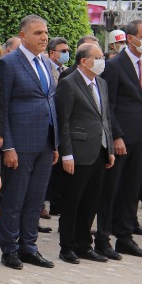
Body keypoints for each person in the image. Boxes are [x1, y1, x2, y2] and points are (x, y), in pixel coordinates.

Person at [0, 15, 59, 269]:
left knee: (35, 199)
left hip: (45, 142)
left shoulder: (46, 62)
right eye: (37, 33)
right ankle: (9, 249)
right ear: (22, 35)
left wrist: (55, 144)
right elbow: (3, 107)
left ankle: (29, 246)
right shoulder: (8, 63)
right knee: (15, 198)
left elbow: (50, 101)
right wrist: (7, 146)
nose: (44, 37)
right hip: (19, 144)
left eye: (45, 32)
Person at [99, 20, 142, 259]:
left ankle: (125, 237)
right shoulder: (114, 65)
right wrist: (117, 136)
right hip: (121, 137)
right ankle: (102, 238)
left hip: (141, 136)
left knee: (132, 189)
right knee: (111, 189)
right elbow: (108, 105)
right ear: (130, 38)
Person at [56, 42, 113, 263]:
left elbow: (105, 117)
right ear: (83, 61)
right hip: (78, 152)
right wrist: (66, 153)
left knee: (91, 200)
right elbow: (64, 120)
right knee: (73, 201)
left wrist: (108, 146)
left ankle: (84, 244)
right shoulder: (69, 84)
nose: (102, 62)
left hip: (99, 150)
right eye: (97, 57)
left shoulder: (101, 83)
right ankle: (67, 246)